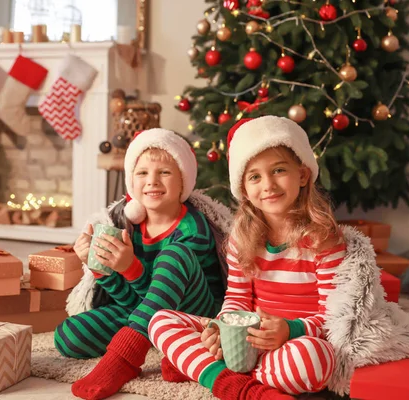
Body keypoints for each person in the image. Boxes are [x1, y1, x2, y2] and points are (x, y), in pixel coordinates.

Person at [148, 116, 346, 400]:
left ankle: (206, 369)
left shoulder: (324, 239)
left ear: (302, 174)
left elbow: (335, 318)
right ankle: (238, 385)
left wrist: (290, 329)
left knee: (315, 359)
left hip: (295, 341)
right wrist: (222, 327)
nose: (268, 185)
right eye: (255, 176)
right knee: (160, 321)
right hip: (247, 337)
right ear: (244, 189)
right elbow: (237, 298)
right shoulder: (243, 238)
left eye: (278, 170)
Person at [55, 128, 227, 400]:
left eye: (165, 173)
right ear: (131, 184)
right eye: (142, 173)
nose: (152, 181)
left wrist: (130, 268)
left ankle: (125, 356)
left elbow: (165, 296)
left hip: (195, 313)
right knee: (68, 335)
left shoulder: (194, 229)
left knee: (175, 255)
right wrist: (102, 269)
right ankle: (162, 344)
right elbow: (133, 301)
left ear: (183, 182)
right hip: (144, 310)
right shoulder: (126, 225)